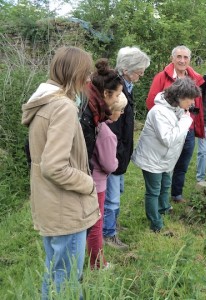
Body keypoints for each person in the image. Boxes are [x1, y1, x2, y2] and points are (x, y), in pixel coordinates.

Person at [21, 46, 100, 299]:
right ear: (74, 73)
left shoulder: (43, 102)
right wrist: (87, 183)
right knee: (66, 279)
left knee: (56, 272)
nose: (88, 80)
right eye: (86, 74)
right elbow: (54, 166)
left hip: (51, 203)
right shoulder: (63, 107)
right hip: (65, 208)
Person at [132, 78, 201, 232]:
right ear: (180, 96)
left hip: (166, 158)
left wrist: (183, 117)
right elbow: (168, 139)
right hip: (152, 158)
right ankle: (156, 224)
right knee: (153, 191)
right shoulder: (159, 112)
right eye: (190, 99)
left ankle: (163, 210)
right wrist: (185, 121)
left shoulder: (176, 109)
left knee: (165, 186)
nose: (192, 103)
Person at [104, 47, 150, 249]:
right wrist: (116, 152)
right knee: (111, 196)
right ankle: (108, 233)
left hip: (122, 147)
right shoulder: (114, 88)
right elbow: (111, 126)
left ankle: (113, 224)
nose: (142, 74)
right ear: (126, 69)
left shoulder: (127, 85)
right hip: (114, 149)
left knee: (118, 190)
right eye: (139, 70)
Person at [146, 45, 205, 203]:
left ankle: (176, 193)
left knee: (183, 162)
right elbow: (152, 102)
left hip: (188, 127)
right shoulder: (161, 77)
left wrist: (192, 121)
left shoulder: (195, 78)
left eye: (185, 57)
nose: (182, 60)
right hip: (168, 128)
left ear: (189, 60)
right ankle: (159, 196)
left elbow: (196, 103)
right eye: (179, 57)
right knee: (166, 162)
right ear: (172, 58)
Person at [86, 59, 125, 268]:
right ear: (106, 95)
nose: (118, 100)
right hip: (97, 183)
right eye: (117, 95)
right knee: (95, 224)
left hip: (87, 180)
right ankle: (98, 263)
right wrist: (117, 160)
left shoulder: (96, 121)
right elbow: (110, 164)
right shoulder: (105, 131)